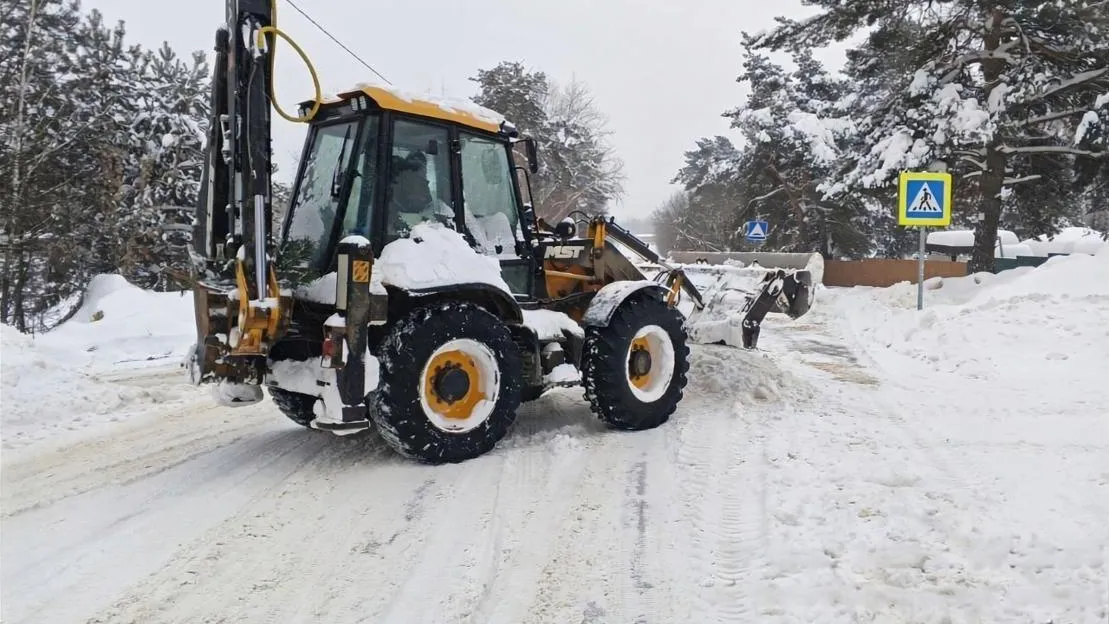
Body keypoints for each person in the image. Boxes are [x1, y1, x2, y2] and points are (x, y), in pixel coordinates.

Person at [388, 151, 454, 233]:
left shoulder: (435, 205)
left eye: (425, 174)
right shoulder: (386, 210)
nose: (425, 180)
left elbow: (427, 207)